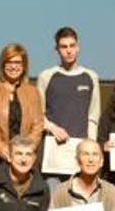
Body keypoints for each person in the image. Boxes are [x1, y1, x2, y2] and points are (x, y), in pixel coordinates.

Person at [37, 27, 101, 189]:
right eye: (64, 47)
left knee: (79, 206)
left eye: (72, 46)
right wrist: (51, 128)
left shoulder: (90, 76)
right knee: (54, 206)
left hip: (81, 154)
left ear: (78, 47)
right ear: (57, 49)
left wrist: (91, 148)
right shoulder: (46, 76)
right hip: (54, 153)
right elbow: (38, 115)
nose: (69, 51)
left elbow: (93, 116)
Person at [0, 43, 43, 168]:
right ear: (3, 64)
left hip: (24, 160)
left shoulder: (32, 92)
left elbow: (38, 126)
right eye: (9, 62)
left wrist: (24, 152)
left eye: (18, 62)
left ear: (24, 66)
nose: (14, 66)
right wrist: (3, 150)